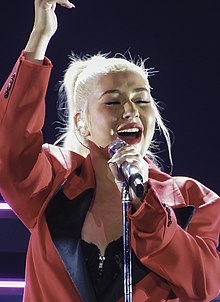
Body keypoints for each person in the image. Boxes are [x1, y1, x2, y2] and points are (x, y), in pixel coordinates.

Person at [0, 0, 219, 301]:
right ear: (82, 124)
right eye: (113, 102)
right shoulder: (52, 182)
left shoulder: (193, 199)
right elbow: (10, 145)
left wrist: (146, 205)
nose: (130, 110)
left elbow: (203, 284)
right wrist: (39, 37)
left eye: (142, 101)